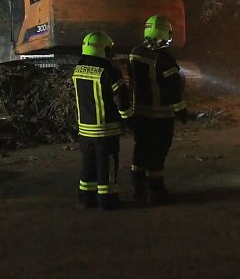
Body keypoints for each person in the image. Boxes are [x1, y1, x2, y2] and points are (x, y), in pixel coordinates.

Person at [128, 14, 188, 205]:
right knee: (157, 154)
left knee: (140, 151)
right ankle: (156, 191)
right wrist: (181, 111)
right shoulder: (165, 60)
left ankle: (138, 191)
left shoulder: (135, 53)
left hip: (139, 113)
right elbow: (173, 90)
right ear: (165, 32)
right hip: (161, 116)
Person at [73, 31, 132, 210]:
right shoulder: (110, 72)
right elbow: (121, 98)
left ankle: (86, 197)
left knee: (88, 164)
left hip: (85, 130)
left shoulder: (78, 68)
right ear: (103, 50)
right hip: (106, 130)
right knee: (107, 165)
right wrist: (128, 118)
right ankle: (108, 200)